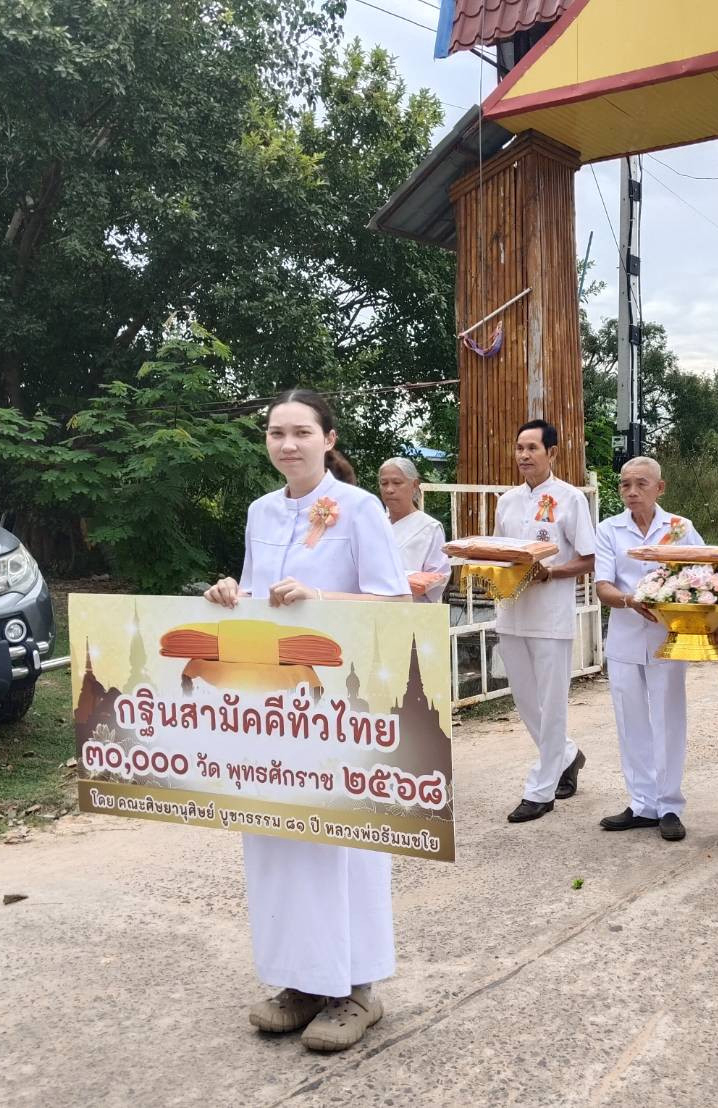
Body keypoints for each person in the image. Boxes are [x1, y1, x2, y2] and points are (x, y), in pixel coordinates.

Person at [203, 388, 410, 1053]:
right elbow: (255, 592)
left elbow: (392, 600)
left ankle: (356, 992)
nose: (286, 444)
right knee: (279, 838)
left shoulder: (360, 508)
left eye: (300, 432)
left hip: (341, 705)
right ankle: (298, 982)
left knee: (342, 842)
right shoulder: (260, 511)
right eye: (275, 433)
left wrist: (321, 598)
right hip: (273, 703)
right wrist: (229, 596)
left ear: (328, 438)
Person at [593, 457, 704, 842]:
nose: (632, 491)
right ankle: (642, 803)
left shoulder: (680, 528)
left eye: (641, 484)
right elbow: (602, 584)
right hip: (624, 636)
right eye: (625, 485)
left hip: (667, 638)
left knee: (668, 718)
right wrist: (627, 601)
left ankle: (670, 804)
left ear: (661, 487)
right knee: (631, 720)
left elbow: (704, 573)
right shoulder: (609, 529)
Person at [493, 419, 597, 823]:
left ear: (552, 453)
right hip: (512, 613)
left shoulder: (570, 499)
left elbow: (589, 559)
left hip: (551, 617)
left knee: (551, 706)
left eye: (532, 448)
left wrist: (550, 572)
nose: (523, 455)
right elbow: (502, 552)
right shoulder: (507, 501)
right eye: (519, 447)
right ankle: (567, 755)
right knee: (525, 703)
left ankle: (541, 789)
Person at [378, 457, 448, 604]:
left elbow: (437, 578)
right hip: (371, 608)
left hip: (411, 611)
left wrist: (401, 580)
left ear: (414, 485)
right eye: (384, 483)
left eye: (397, 483)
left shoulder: (429, 528)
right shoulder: (375, 525)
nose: (389, 489)